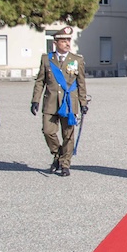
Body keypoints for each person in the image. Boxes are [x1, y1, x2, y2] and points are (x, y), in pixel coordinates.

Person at [31, 26, 88, 177]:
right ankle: (58, 154)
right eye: (63, 41)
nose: (67, 43)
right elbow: (40, 81)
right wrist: (35, 100)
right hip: (50, 102)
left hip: (69, 102)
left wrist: (83, 103)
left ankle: (64, 164)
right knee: (48, 131)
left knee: (68, 135)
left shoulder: (77, 60)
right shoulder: (47, 59)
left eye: (68, 40)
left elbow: (81, 83)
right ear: (55, 43)